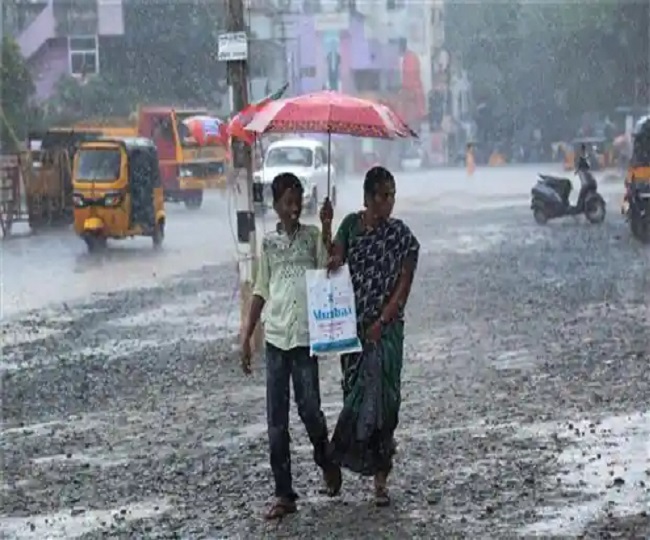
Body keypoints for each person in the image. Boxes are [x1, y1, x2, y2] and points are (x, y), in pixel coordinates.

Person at [241, 172, 342, 520]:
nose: (294, 207)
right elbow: (260, 290)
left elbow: (328, 266)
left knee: (310, 408)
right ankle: (284, 493)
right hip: (276, 339)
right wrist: (246, 335)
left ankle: (325, 458)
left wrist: (328, 227)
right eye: (288, 202)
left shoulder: (312, 237)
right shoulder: (268, 245)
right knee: (276, 421)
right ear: (276, 206)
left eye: (298, 200)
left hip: (304, 338)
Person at [320, 166, 420, 507]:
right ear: (367, 198)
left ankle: (381, 479)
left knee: (386, 403)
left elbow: (404, 284)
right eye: (383, 195)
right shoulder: (350, 225)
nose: (389, 202)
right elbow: (333, 260)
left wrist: (383, 319)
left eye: (392, 195)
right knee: (356, 396)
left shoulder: (401, 236)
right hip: (353, 330)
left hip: (387, 333)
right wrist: (326, 224)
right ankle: (340, 457)